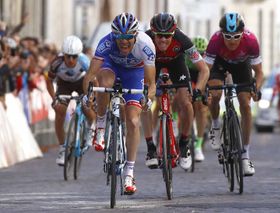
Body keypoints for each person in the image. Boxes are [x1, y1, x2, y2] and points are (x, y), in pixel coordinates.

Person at [82, 13, 156, 195]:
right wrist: (88, 94)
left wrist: (148, 98)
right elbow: (90, 75)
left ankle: (129, 173)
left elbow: (151, 83)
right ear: (114, 35)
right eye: (120, 37)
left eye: (128, 38)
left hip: (135, 73)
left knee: (132, 121)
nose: (124, 42)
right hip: (111, 67)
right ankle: (100, 126)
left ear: (135, 35)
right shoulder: (106, 42)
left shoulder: (146, 45)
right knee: (104, 84)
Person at [142, 12, 209, 170]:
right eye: (159, 36)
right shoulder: (144, 39)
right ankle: (151, 148)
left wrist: (198, 90)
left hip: (176, 64)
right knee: (144, 100)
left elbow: (204, 69)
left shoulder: (182, 40)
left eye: (167, 36)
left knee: (186, 102)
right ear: (153, 32)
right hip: (152, 64)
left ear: (173, 33)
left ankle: (184, 144)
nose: (163, 40)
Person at [204, 13, 263, 176]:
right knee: (215, 94)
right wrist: (203, 88)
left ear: (242, 34)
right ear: (221, 33)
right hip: (219, 65)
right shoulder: (215, 41)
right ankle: (215, 125)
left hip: (241, 66)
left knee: (245, 104)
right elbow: (205, 70)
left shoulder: (251, 41)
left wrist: (256, 88)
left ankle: (245, 156)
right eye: (227, 36)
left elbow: (259, 72)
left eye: (236, 36)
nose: (231, 40)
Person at [47, 35, 95, 166]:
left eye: (74, 56)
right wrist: (54, 98)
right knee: (59, 110)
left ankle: (92, 127)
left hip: (82, 82)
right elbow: (49, 81)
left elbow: (93, 80)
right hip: (64, 84)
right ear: (63, 54)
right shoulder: (56, 62)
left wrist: (91, 96)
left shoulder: (84, 61)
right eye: (67, 56)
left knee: (87, 106)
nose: (70, 60)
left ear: (78, 55)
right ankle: (63, 148)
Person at [185, 36, 210, 162]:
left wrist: (205, 92)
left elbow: (207, 76)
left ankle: (198, 145)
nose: (199, 55)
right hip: (188, 74)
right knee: (183, 100)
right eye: (197, 53)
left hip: (201, 74)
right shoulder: (186, 56)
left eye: (202, 53)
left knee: (201, 106)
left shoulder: (208, 59)